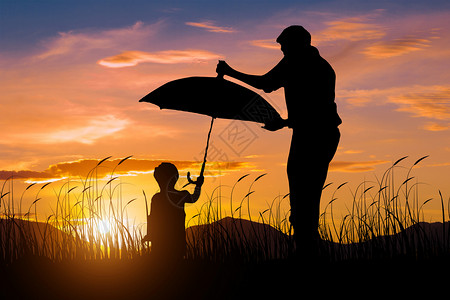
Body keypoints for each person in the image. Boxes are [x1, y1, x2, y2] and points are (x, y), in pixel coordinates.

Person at [216, 25, 342, 258]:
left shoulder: (298, 63)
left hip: (313, 135)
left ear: (297, 44)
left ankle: (306, 251)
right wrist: (285, 122)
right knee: (306, 194)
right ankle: (306, 248)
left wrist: (231, 72)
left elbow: (267, 84)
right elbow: (308, 106)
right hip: (317, 133)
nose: (282, 51)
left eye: (284, 46)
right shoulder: (317, 65)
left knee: (304, 194)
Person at [143, 162, 203, 260]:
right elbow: (194, 198)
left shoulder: (157, 198)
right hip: (177, 242)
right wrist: (198, 186)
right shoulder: (180, 195)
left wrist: (150, 235)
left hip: (160, 245)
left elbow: (152, 219)